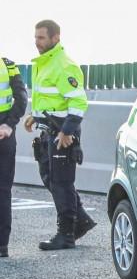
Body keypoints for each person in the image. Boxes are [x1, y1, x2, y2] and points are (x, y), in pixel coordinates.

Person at [22, 20, 95, 250]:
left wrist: (67, 131)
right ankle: (80, 220)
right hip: (49, 128)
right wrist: (36, 116)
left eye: (41, 38)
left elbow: (78, 102)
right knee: (49, 177)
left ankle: (66, 235)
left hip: (63, 131)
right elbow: (50, 98)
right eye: (35, 37)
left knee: (62, 182)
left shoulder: (64, 65)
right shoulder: (43, 63)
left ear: (55, 38)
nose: (37, 42)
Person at [1, 55, 29, 258]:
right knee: (2, 190)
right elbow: (21, 97)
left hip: (4, 131)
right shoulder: (7, 64)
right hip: (4, 130)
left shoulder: (8, 65)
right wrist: (9, 124)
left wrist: (8, 124)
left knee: (2, 190)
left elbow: (21, 97)